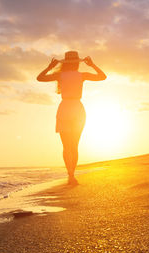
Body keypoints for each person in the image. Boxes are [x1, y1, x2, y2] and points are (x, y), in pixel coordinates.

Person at [37, 51, 106, 185]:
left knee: (66, 146)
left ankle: (70, 174)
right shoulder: (82, 75)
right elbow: (102, 76)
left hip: (65, 108)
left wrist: (50, 67)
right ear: (76, 63)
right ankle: (72, 175)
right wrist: (92, 65)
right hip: (77, 108)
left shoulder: (60, 75)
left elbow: (40, 78)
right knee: (74, 146)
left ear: (66, 63)